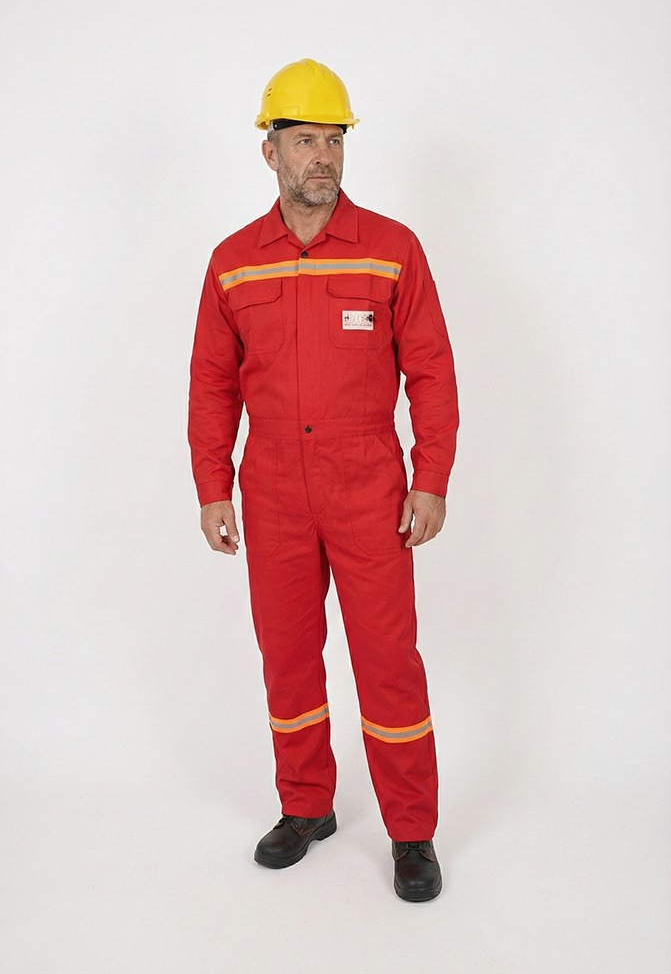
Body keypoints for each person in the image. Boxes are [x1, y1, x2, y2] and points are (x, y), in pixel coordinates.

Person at [188, 58, 459, 902]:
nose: (322, 157)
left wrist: (430, 476)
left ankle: (411, 830)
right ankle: (306, 805)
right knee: (288, 658)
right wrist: (212, 486)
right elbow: (211, 383)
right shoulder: (233, 261)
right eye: (304, 140)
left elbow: (431, 370)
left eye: (334, 140)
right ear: (269, 152)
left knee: (386, 661)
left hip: (367, 483)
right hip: (271, 486)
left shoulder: (391, 248)